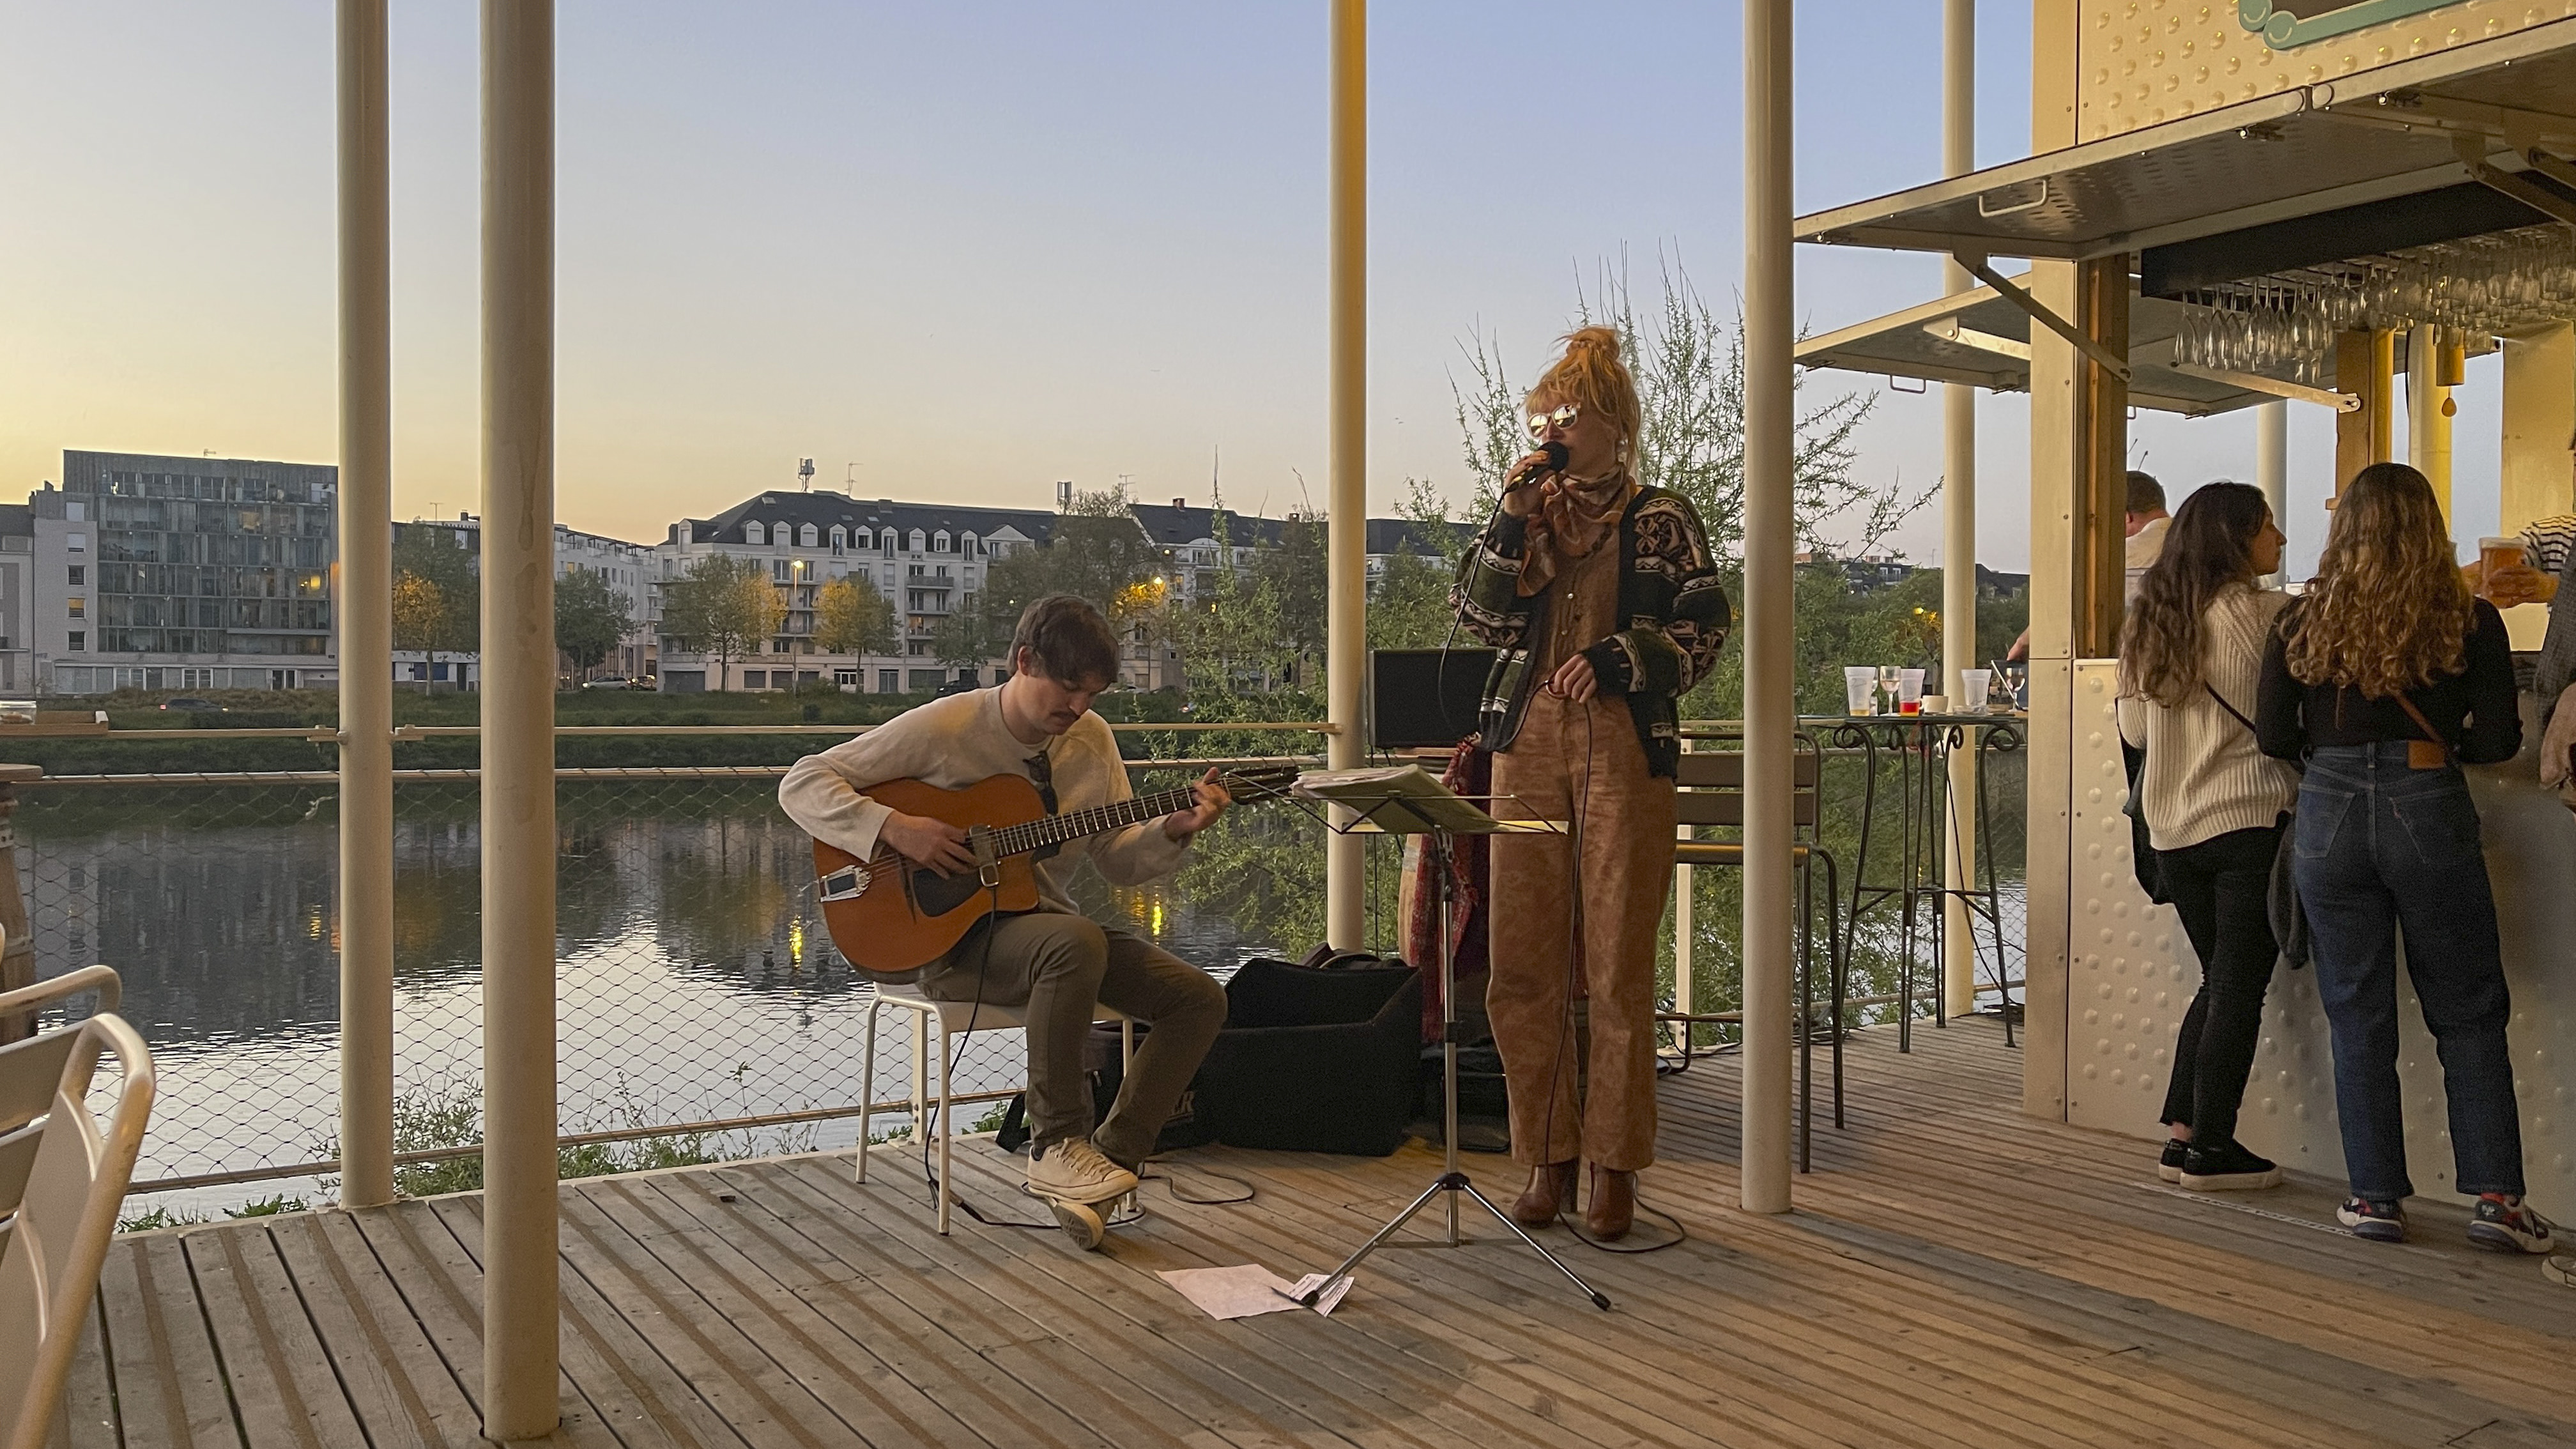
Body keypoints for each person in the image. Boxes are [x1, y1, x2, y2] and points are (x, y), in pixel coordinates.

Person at [778, 594, 1231, 1216]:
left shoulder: (1091, 741)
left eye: (1093, 694)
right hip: (948, 943)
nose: (1079, 708)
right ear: (1024, 661)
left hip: (1052, 940)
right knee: (1075, 941)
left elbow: (1118, 862)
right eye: (1068, 688)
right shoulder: (948, 727)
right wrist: (897, 829)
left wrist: (1174, 829)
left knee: (1198, 999)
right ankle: (1056, 1144)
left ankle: (1107, 1168)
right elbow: (802, 782)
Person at [1452, 326, 1729, 1239]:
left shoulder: (1662, 516)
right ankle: (1547, 1156)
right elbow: (1480, 615)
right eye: (1542, 420)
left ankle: (1615, 1166)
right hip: (1525, 743)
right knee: (1521, 964)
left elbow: (1704, 631)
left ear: (1615, 424)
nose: (1552, 434)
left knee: (1615, 967)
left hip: (1622, 744)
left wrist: (1618, 657)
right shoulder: (1529, 513)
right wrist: (1509, 517)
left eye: (1567, 417)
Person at [2255, 461, 2556, 1252]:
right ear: (2430, 529)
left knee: (2357, 1011)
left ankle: (2374, 1199)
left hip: (2327, 810)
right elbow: (2499, 740)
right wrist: (2436, 750)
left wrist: (2341, 758)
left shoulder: (2299, 621)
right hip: (2427, 802)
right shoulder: (2469, 619)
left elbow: (2274, 735)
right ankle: (2497, 1202)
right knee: (2468, 1009)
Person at [2113, 482, 2295, 1192]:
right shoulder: (2266, 615)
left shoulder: (2149, 623)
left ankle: (2183, 1136)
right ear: (2237, 539)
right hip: (2248, 822)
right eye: (2269, 526)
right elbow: (2283, 722)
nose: (2280, 539)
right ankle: (2212, 1149)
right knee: (2237, 991)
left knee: (2220, 981)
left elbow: (2134, 733)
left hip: (2174, 834)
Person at [2006, 468, 2172, 662]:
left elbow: (2069, 603)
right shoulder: (2194, 544)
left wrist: (2025, 641)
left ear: (2126, 517)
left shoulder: (2121, 556)